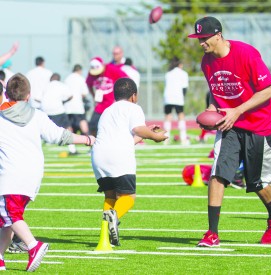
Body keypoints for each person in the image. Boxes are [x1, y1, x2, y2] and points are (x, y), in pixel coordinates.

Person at [188, 16, 271, 247]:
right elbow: (216, 92)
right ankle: (212, 233)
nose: (201, 43)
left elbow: (270, 89)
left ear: (218, 35)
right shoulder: (207, 62)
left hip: (260, 124)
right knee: (218, 174)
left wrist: (237, 110)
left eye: (204, 38)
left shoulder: (246, 53)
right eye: (198, 38)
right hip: (230, 126)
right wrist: (211, 111)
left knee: (257, 182)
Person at [0, 73, 95, 272]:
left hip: (10, 175)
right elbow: (61, 136)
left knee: (9, 215)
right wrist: (87, 139)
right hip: (33, 176)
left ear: (7, 94)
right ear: (28, 96)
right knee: (8, 219)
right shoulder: (37, 115)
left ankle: (34, 246)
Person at [91, 78, 167, 246]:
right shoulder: (134, 107)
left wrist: (147, 131)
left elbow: (126, 137)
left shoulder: (108, 110)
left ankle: (106, 234)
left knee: (110, 195)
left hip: (99, 155)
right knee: (128, 196)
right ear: (134, 96)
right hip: (119, 156)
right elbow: (138, 129)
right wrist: (155, 136)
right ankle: (114, 216)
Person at [86, 56, 128, 137]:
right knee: (93, 126)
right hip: (100, 105)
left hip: (112, 104)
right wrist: (94, 95)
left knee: (114, 126)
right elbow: (89, 84)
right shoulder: (91, 74)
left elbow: (125, 79)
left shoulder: (112, 69)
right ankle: (94, 146)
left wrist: (120, 97)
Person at [163, 57, 189, 145]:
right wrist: (182, 96)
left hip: (168, 97)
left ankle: (165, 139)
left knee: (168, 117)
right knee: (181, 116)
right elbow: (184, 88)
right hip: (178, 97)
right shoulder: (183, 73)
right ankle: (183, 139)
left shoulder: (168, 74)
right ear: (179, 64)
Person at [65, 64, 90, 155]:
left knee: (69, 128)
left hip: (68, 107)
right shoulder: (80, 78)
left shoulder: (67, 79)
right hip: (78, 106)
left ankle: (72, 149)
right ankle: (90, 145)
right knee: (83, 125)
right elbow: (85, 93)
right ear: (80, 71)